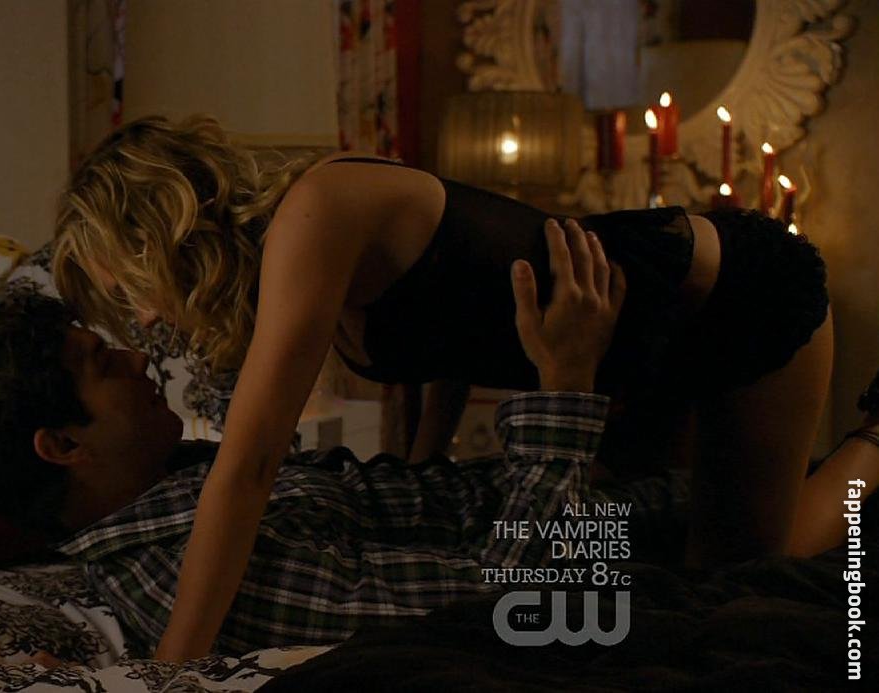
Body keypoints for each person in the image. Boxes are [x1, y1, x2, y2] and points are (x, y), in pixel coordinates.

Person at [48, 115, 835, 661]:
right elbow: (454, 326)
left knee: (740, 580)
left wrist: (170, 671)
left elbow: (247, 469)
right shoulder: (283, 259)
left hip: (730, 297)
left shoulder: (314, 215)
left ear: (152, 231)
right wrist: (428, 457)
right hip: (620, 359)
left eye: (125, 286)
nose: (141, 314)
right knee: (684, 575)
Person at [0, 243, 878, 660]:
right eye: (99, 364)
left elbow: (401, 523)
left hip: (603, 513)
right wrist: (564, 388)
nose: (133, 358)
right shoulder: (177, 569)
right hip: (621, 571)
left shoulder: (184, 485)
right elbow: (506, 603)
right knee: (807, 511)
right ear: (62, 444)